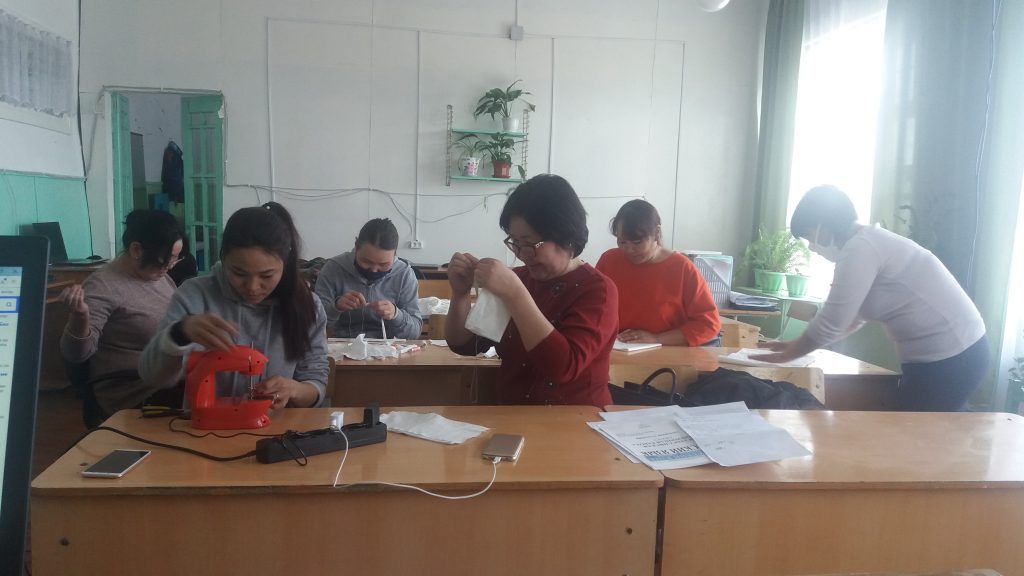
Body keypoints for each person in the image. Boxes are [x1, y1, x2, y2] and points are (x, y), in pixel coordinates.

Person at [754, 185, 989, 411]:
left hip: (954, 356)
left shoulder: (861, 248)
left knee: (913, 432)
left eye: (808, 236)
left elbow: (831, 323)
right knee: (913, 429)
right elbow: (850, 318)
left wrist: (791, 354)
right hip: (943, 358)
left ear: (822, 225)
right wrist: (795, 346)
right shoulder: (866, 244)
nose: (812, 247)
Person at [445, 174, 619, 408]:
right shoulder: (517, 279)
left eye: (530, 243)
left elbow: (564, 367)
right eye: (515, 242)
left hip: (576, 421)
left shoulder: (598, 290)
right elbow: (464, 345)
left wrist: (515, 294)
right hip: (514, 418)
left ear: (565, 236)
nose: (522, 254)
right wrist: (460, 294)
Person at [140, 202, 328, 409]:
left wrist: (293, 389)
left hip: (277, 426)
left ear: (286, 263)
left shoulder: (307, 305)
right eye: (239, 273)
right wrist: (179, 334)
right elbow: (152, 376)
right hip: (205, 425)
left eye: (266, 275)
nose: (252, 287)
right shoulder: (195, 295)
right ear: (223, 257)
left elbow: (316, 383)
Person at [60, 209, 186, 424]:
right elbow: (77, 355)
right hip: (133, 389)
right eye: (165, 260)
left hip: (165, 375)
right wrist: (80, 318)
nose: (169, 267)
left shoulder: (160, 278)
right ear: (136, 250)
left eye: (175, 259)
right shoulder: (103, 287)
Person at [596, 199, 721, 346]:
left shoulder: (682, 268)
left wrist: (657, 339)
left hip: (667, 352)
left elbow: (708, 324)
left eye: (637, 242)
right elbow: (592, 307)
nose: (628, 250)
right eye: (622, 242)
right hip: (618, 348)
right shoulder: (609, 260)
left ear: (656, 233)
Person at [314, 218, 422, 339]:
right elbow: (312, 324)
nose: (374, 270)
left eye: (384, 264)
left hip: (390, 346)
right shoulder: (333, 268)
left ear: (395, 254)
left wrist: (396, 315)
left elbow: (415, 332)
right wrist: (336, 307)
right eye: (366, 261)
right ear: (356, 246)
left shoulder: (404, 274)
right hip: (345, 345)